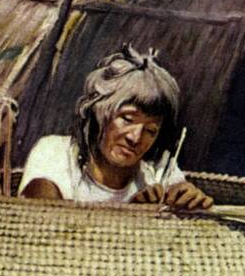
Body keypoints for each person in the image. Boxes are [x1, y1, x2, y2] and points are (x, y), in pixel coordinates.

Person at [19, 46, 213, 209]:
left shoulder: (159, 171)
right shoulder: (56, 152)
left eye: (150, 130)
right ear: (100, 112)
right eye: (127, 119)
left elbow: (181, 203)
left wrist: (187, 199)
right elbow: (42, 218)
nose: (135, 138)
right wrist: (131, 214)